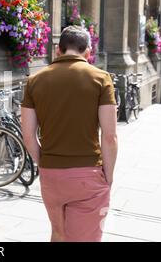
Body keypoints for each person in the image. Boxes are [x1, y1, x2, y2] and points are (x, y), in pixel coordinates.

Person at [21, 25, 118, 242]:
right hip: (88, 175)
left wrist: (43, 163)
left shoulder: (35, 80)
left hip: (51, 174)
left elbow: (28, 136)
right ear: (88, 52)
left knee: (58, 233)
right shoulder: (101, 78)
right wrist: (108, 177)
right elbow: (110, 136)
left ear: (58, 49)